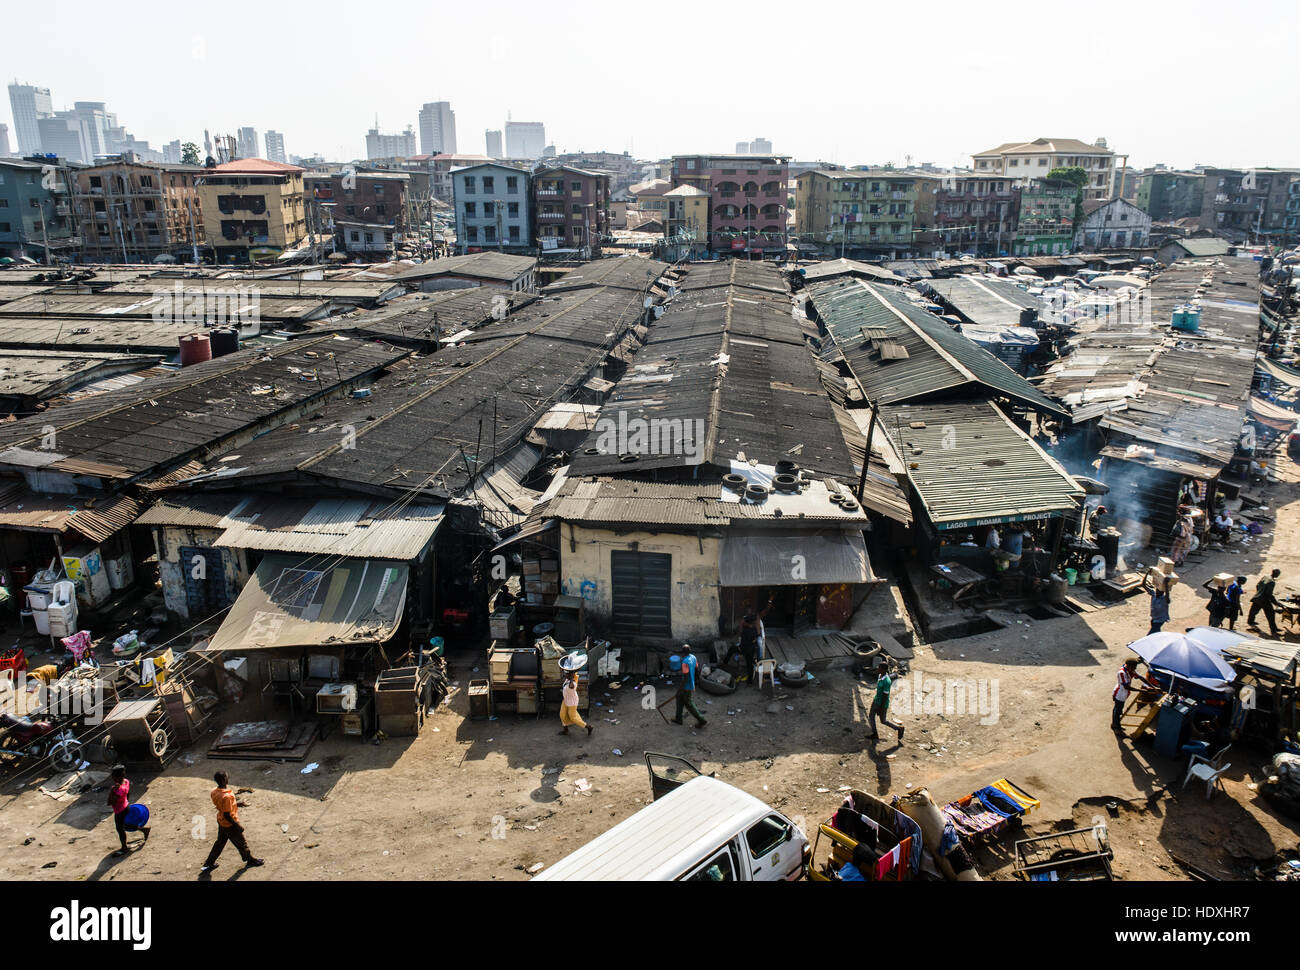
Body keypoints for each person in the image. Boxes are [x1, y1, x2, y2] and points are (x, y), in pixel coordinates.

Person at [201, 770, 264, 875]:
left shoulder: (215, 792)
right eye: (226, 776)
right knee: (241, 843)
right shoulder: (226, 796)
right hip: (229, 824)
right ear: (224, 779)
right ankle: (250, 860)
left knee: (220, 842)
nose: (228, 776)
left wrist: (237, 804)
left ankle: (209, 863)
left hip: (221, 821)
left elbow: (223, 806)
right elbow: (227, 814)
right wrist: (237, 826)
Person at [107, 765, 148, 856]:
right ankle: (144, 830)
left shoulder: (119, 790)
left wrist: (112, 791)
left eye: (113, 776)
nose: (112, 778)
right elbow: (128, 793)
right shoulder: (126, 782)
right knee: (125, 825)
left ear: (116, 777)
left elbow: (110, 802)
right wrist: (126, 801)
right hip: (126, 806)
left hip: (120, 811)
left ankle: (124, 848)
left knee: (120, 829)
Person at [1112, 659, 1158, 732]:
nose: (1135, 669)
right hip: (1120, 694)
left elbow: (1141, 677)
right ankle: (1117, 729)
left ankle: (1115, 724)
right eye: (1134, 667)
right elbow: (1126, 687)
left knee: (1117, 709)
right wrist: (1143, 690)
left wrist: (1153, 687)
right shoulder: (1122, 673)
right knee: (1118, 711)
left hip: (1124, 693)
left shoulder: (1130, 670)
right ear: (1129, 666)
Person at [867, 662, 904, 742]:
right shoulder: (880, 676)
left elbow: (885, 696)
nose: (877, 669)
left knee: (883, 721)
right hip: (876, 700)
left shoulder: (887, 681)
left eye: (879, 668)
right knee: (871, 717)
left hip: (882, 704)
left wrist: (881, 708)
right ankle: (875, 734)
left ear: (883, 670)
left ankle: (899, 728)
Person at [737, 597, 772, 683]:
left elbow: (766, 610)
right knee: (744, 647)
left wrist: (770, 601)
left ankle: (760, 661)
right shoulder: (744, 619)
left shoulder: (757, 616)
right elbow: (741, 631)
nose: (748, 612)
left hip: (757, 636)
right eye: (747, 611)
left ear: (751, 611)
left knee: (759, 644)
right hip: (749, 638)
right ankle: (749, 661)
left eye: (749, 611)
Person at [672, 646, 707, 728]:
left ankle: (701, 719)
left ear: (682, 653)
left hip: (686, 687)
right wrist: (697, 681)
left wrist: (680, 690)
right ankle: (678, 718)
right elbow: (697, 669)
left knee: (689, 704)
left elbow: (685, 677)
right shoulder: (693, 657)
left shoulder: (685, 662)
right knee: (679, 700)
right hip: (691, 684)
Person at [1248, 568, 1283, 639]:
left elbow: (1257, 585)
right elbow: (1269, 594)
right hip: (1264, 600)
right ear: (1276, 574)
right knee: (1270, 614)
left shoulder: (1265, 577)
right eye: (1278, 574)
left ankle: (1250, 621)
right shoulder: (1272, 582)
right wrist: (1276, 603)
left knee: (1254, 610)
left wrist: (1259, 592)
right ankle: (1273, 629)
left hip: (1258, 597)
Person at [558, 670, 591, 737]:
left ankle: (588, 727)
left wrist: (571, 678)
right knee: (562, 714)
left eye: (566, 674)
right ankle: (566, 730)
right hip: (565, 700)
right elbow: (574, 671)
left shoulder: (573, 684)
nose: (565, 675)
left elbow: (571, 686)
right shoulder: (568, 680)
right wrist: (570, 675)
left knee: (573, 718)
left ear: (570, 676)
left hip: (572, 703)